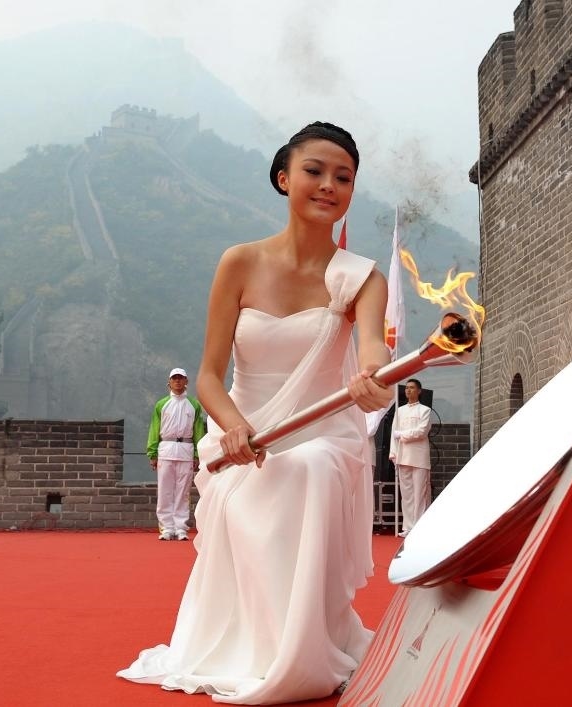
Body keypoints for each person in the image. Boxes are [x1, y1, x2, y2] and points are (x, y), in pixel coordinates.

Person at [118, 121, 393, 704]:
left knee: (308, 466)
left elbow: (373, 350)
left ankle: (302, 652)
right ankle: (257, 647)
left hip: (325, 432)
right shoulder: (239, 262)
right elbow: (210, 375)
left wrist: (374, 378)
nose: (329, 185)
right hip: (242, 432)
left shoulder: (362, 277)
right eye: (315, 171)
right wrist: (235, 428)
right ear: (283, 178)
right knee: (277, 474)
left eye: (343, 177)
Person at [147, 367, 207, 541]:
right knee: (165, 490)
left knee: (183, 491)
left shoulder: (194, 405)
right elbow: (154, 429)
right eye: (174, 378)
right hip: (165, 449)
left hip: (186, 450)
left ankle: (181, 527)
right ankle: (166, 527)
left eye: (181, 378)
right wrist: (152, 452)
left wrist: (197, 454)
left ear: (186, 381)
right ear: (169, 382)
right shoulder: (161, 404)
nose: (178, 381)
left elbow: (198, 431)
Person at [388, 378, 432, 537]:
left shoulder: (425, 410)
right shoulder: (399, 411)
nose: (408, 390)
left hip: (419, 457)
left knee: (420, 493)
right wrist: (393, 453)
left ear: (419, 391)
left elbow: (421, 432)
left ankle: (418, 527)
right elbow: (393, 433)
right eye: (406, 388)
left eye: (412, 388)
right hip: (403, 456)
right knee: (406, 495)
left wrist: (402, 435)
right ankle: (408, 526)